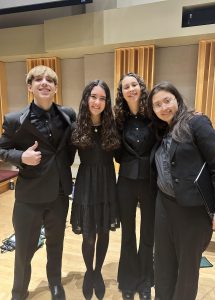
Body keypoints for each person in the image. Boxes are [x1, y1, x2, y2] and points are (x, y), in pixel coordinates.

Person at [0, 65, 76, 300]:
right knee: (24, 249)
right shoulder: (14, 120)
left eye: (50, 80)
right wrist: (20, 157)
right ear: (30, 86)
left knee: (56, 245)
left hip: (59, 195)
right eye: (38, 79)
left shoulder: (68, 115)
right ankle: (18, 292)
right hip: (29, 198)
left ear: (55, 87)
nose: (45, 82)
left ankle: (55, 284)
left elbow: (70, 149)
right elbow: (1, 149)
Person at [148, 81, 215, 300]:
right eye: (157, 104)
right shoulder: (162, 129)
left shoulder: (196, 122)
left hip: (192, 209)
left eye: (167, 100)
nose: (163, 107)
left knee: (187, 269)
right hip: (164, 205)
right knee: (162, 261)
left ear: (177, 99)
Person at [70, 80, 120, 300]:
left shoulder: (113, 125)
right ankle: (89, 272)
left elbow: (123, 155)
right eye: (93, 96)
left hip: (108, 182)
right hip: (86, 183)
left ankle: (98, 271)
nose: (97, 102)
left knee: (104, 232)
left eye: (102, 98)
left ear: (106, 102)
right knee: (88, 235)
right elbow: (63, 158)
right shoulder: (77, 125)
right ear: (86, 98)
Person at [114, 73, 156, 300]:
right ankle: (128, 281)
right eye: (126, 87)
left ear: (141, 88)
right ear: (122, 93)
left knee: (148, 233)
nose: (130, 89)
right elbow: (117, 154)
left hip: (150, 182)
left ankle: (146, 282)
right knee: (128, 234)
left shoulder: (153, 116)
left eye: (134, 85)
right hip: (126, 182)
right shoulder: (119, 119)